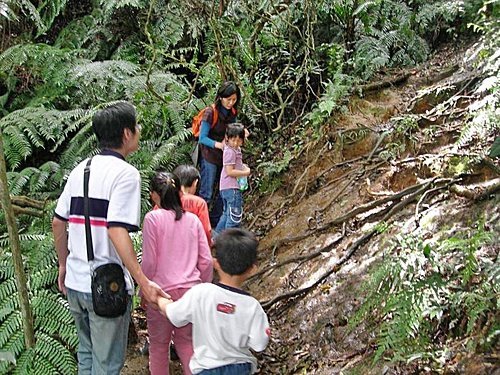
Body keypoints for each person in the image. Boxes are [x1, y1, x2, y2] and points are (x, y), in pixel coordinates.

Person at [52, 102, 166, 374]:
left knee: (87, 357)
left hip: (76, 284)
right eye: (136, 126)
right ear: (126, 134)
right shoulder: (126, 174)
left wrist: (63, 265)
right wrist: (143, 282)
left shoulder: (81, 169)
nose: (139, 131)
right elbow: (116, 229)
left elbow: (58, 222)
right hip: (106, 287)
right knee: (107, 366)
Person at [157, 228, 270, 375]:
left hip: (206, 369)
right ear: (252, 269)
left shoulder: (202, 293)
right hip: (240, 369)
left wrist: (160, 300)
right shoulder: (252, 306)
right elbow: (259, 344)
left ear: (215, 263)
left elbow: (174, 314)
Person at [142, 171, 213, 375]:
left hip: (161, 294)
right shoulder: (192, 220)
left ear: (156, 195)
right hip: (191, 292)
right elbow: (206, 261)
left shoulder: (152, 219)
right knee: (186, 344)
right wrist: (202, 286)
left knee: (158, 346)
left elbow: (148, 262)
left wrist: (144, 290)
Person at [198, 81, 240, 228]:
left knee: (224, 191)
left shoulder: (232, 112)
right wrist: (219, 145)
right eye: (228, 99)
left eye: (234, 100)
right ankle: (198, 225)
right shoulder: (211, 112)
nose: (231, 103)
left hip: (224, 157)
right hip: (209, 155)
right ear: (221, 97)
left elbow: (231, 131)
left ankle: (214, 221)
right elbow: (202, 138)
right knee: (207, 193)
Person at [213, 123, 250, 237]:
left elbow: (236, 164)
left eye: (239, 141)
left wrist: (243, 166)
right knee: (234, 218)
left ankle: (216, 239)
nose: (235, 143)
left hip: (226, 188)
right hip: (231, 188)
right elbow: (230, 171)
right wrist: (246, 172)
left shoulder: (234, 149)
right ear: (227, 139)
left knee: (226, 214)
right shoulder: (230, 151)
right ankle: (229, 242)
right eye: (233, 140)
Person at [173, 164, 212, 245]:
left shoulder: (164, 200)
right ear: (195, 182)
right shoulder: (199, 203)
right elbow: (205, 231)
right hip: (192, 250)